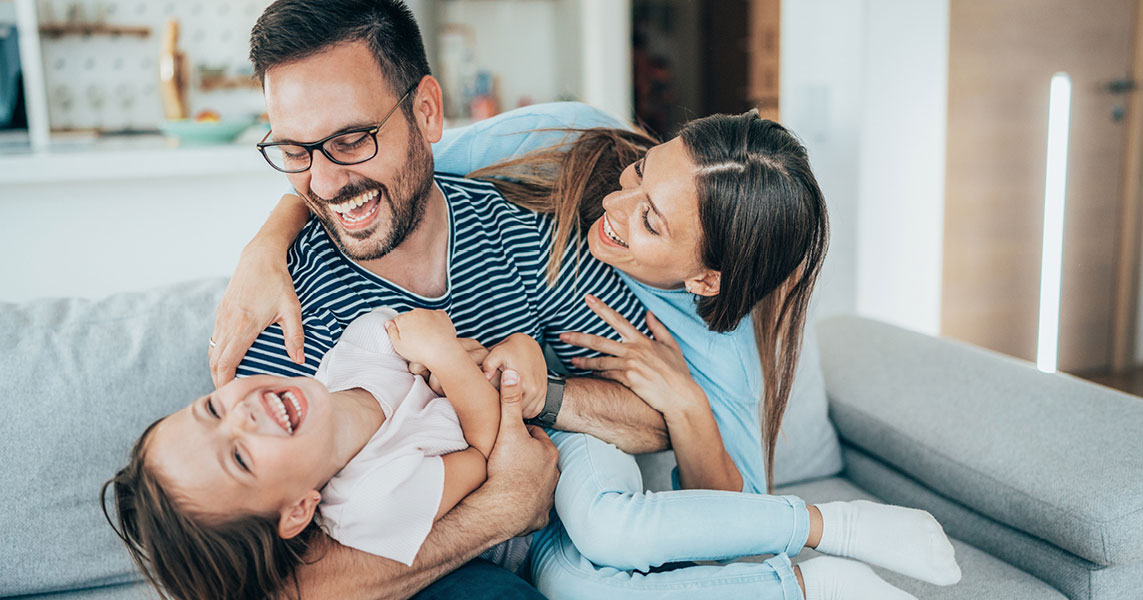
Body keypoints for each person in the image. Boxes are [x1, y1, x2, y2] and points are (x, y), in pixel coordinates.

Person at [200, 1, 672, 598]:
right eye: (294, 152)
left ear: (426, 111)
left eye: (350, 139)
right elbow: (269, 584)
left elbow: (656, 415)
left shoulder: (524, 239)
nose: (322, 184)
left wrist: (540, 396)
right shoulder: (281, 303)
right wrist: (500, 508)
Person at [104, 307, 543, 600]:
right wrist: (445, 356)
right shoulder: (372, 499)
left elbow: (454, 343)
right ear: (297, 510)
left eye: (213, 408)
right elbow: (490, 458)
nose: (242, 416)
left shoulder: (362, 343)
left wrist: (508, 351)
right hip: (535, 544)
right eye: (239, 458)